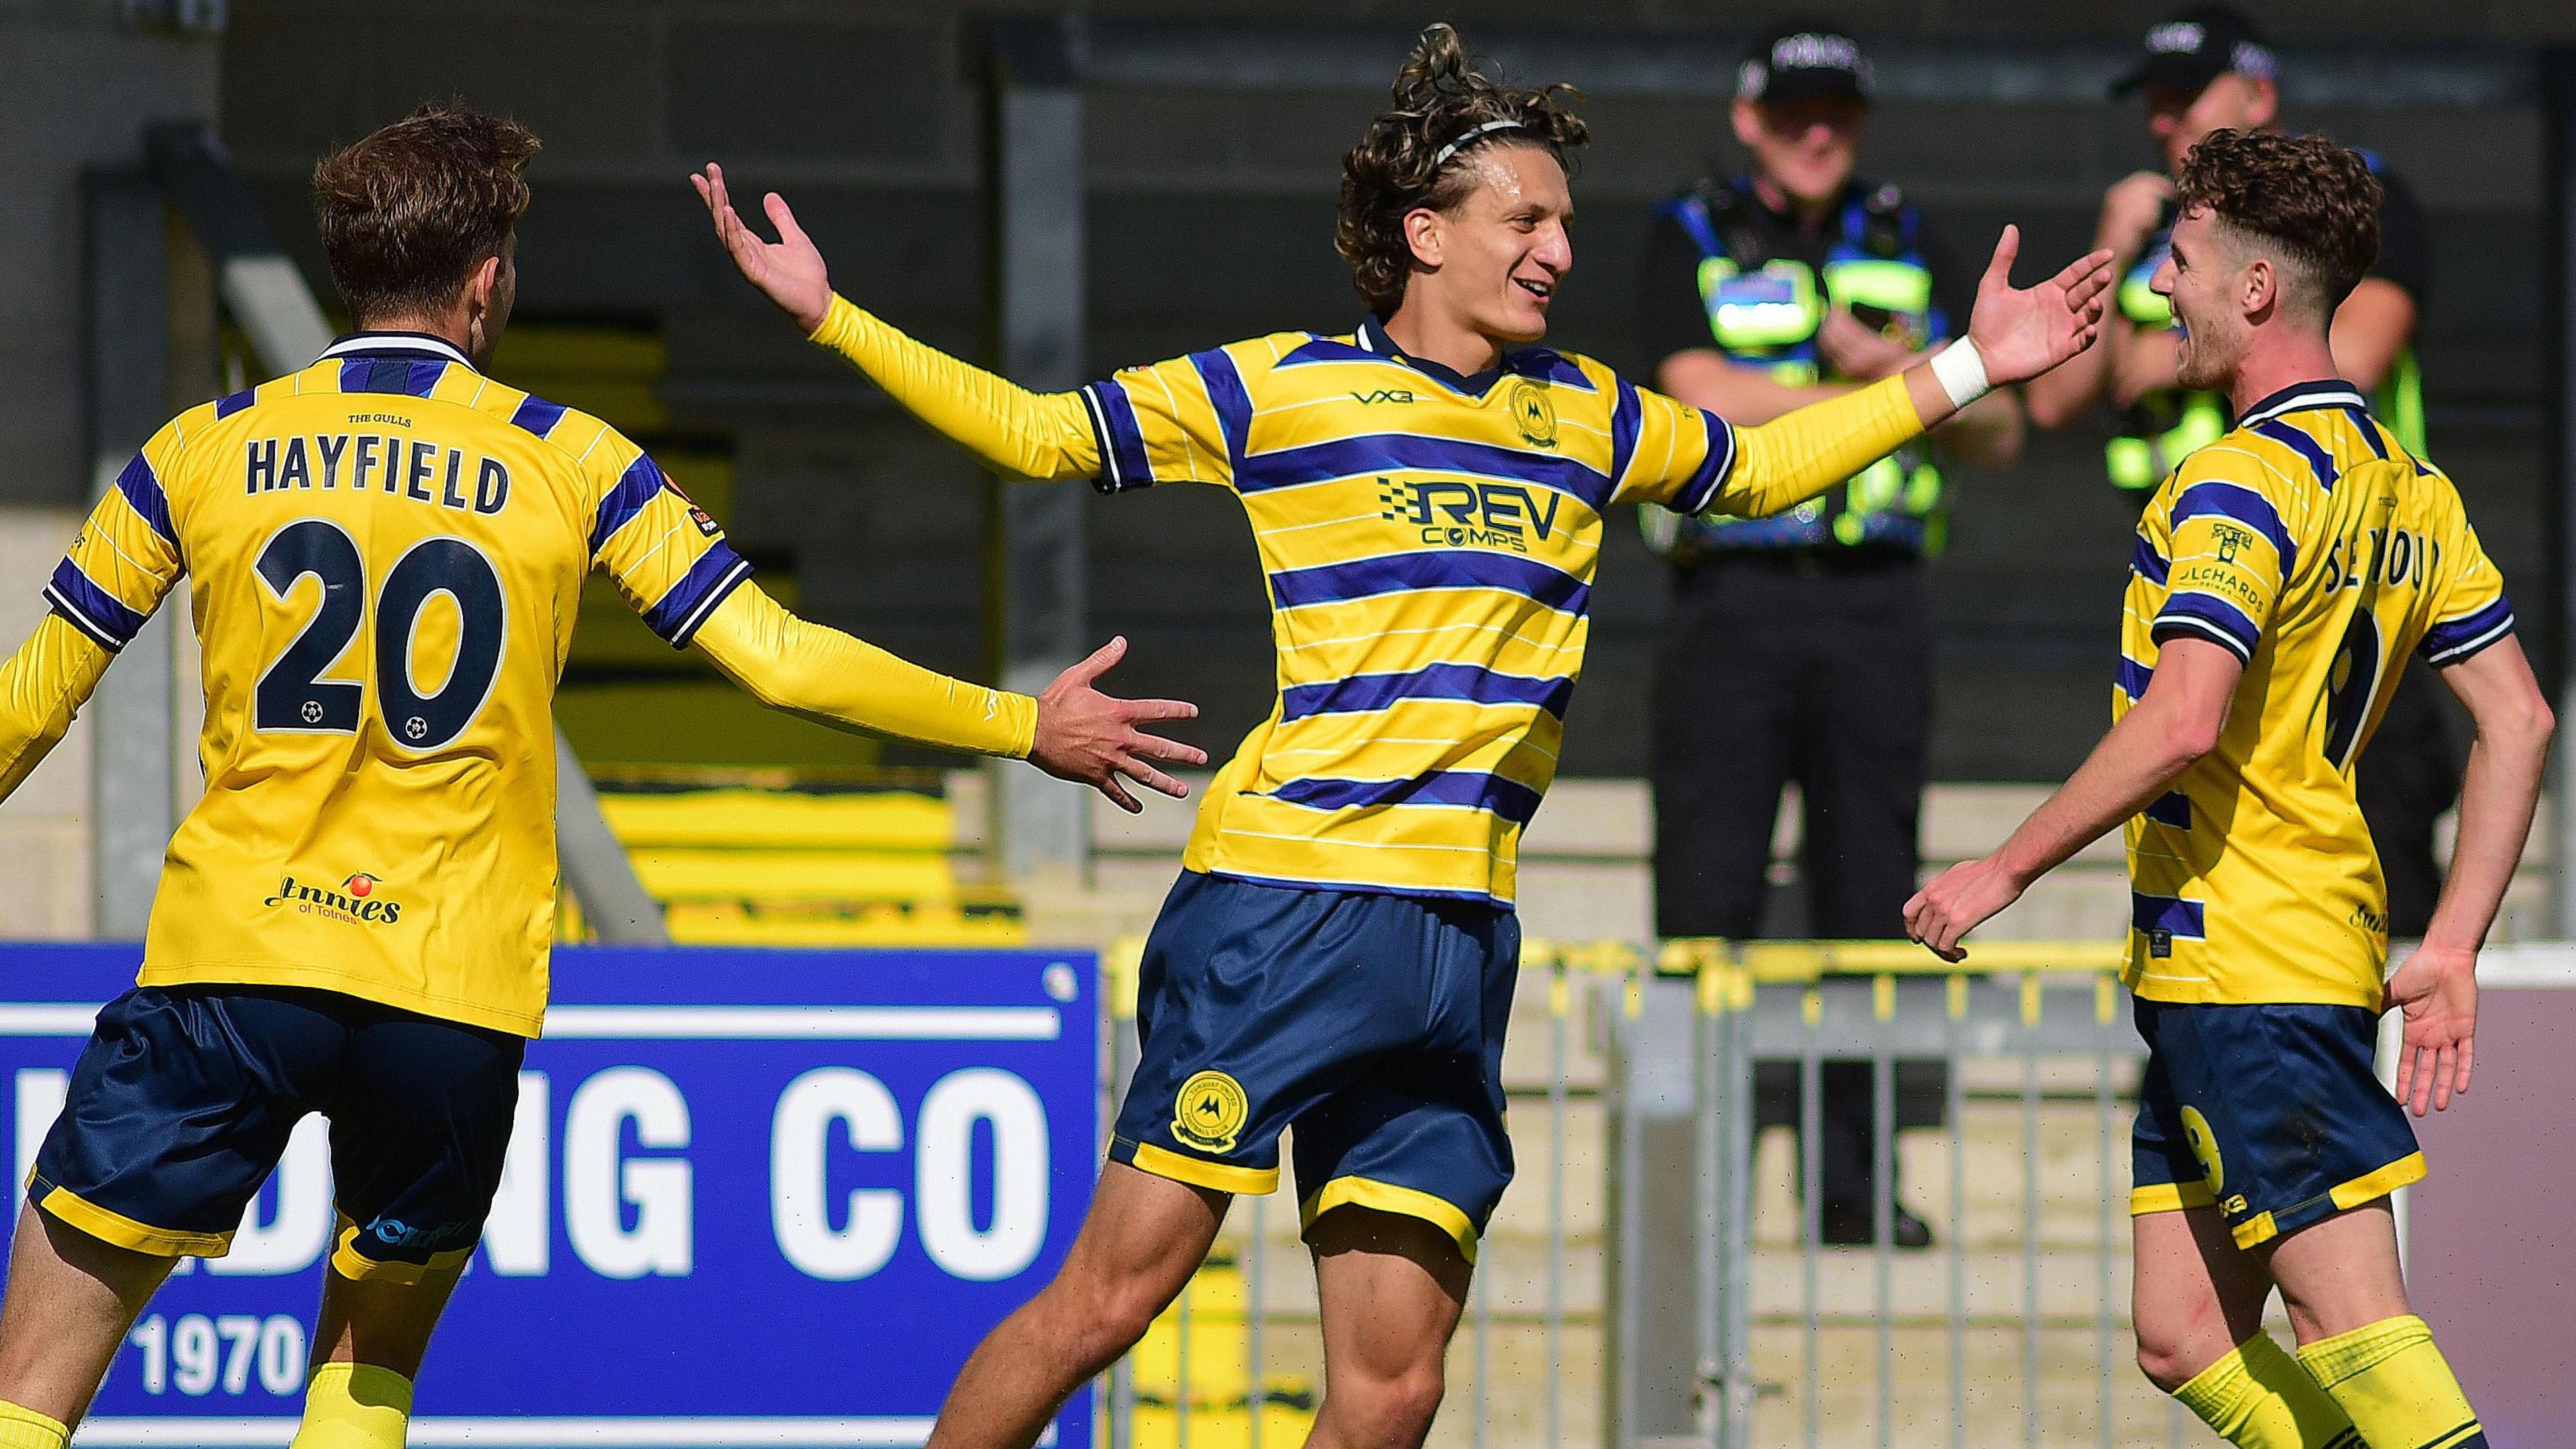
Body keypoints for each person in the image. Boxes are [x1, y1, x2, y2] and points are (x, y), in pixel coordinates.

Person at [701, 24, 2110, 1448]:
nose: (1559, 248)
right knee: (1109, 1306)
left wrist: (1969, 367)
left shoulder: (1590, 415)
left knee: (1398, 1387)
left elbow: (1755, 472)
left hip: (1457, 940)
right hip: (1283, 910)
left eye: (1565, 220)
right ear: (1425, 234)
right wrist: (831, 315)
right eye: (1527, 218)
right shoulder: (1280, 388)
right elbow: (1038, 432)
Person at [0, 105, 1201, 1449]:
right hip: (446, 992)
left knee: (31, 1387)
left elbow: (37, 700)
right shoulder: (573, 458)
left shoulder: (198, 447)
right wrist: (1018, 726)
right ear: (485, 280)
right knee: (366, 1368)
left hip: (232, 962)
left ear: (351, 269)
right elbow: (784, 664)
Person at [1907, 129, 2544, 1449]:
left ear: (2255, 290)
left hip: (2251, 966)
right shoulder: (2409, 486)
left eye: (2180, 264)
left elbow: (2183, 717)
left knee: (2356, 1327)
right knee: (2184, 1335)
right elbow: (2520, 718)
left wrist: (2001, 867)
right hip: (2263, 954)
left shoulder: (2240, 482)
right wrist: (2453, 945)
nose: (2160, 294)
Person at [1636, 19, 2027, 1249]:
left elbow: (2003, 432)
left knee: (1872, 890)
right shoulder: (1689, 228)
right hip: (1732, 603)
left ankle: (1852, 1189)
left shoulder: (1912, 235)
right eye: (1796, 112)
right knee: (1709, 888)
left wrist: (1921, 374)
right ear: (1750, 117)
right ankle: (1692, 1194)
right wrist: (1902, 390)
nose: (1820, 135)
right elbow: (1698, 391)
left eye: (1840, 115)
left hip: (1877, 604)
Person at [2025, 4, 2460, 938]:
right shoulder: (2155, 231)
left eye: (2186, 98)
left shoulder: (2359, 202)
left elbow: (2360, 349)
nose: (2163, 120)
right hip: (2203, 587)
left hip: (2343, 578)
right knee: (2206, 891)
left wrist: (2160, 356)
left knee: (2381, 876)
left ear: (2259, 95)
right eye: (2153, 102)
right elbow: (2052, 402)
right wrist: (2112, 239)